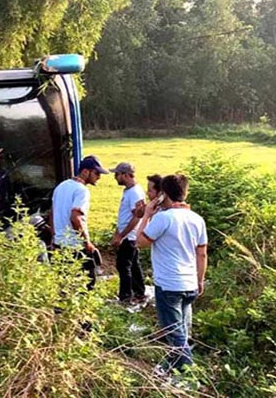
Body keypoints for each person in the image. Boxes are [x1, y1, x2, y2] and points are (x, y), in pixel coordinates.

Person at [137, 174, 208, 375]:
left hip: (169, 285)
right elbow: (201, 253)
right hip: (190, 284)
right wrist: (200, 279)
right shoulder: (197, 219)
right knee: (182, 330)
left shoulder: (163, 218)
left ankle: (187, 375)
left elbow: (139, 242)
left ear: (163, 194)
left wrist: (146, 215)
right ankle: (173, 364)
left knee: (174, 333)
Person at [50, 155, 109, 290]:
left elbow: (52, 214)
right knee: (86, 286)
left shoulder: (61, 186)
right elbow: (76, 217)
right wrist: (87, 242)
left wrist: (54, 238)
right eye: (96, 173)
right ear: (85, 172)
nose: (99, 177)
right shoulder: (82, 190)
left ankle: (60, 311)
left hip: (60, 244)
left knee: (63, 286)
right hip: (75, 246)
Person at [110, 162, 146, 303]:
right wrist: (117, 232)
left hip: (129, 236)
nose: (115, 177)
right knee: (134, 264)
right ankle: (139, 292)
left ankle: (125, 297)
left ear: (125, 175)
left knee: (123, 265)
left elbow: (136, 218)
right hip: (127, 235)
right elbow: (125, 216)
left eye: (117, 174)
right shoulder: (129, 191)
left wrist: (122, 235)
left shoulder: (135, 192)